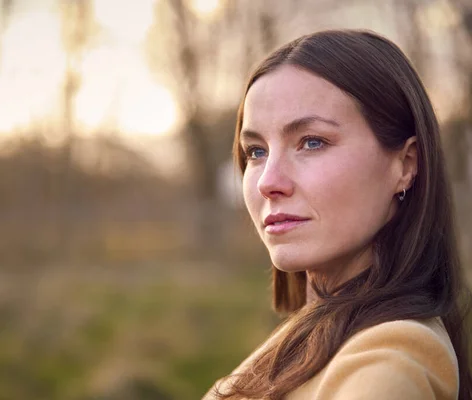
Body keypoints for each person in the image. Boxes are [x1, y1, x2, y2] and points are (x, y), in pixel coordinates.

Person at [202, 29, 472, 400]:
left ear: (406, 164)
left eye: (312, 142)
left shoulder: (389, 363)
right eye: (255, 151)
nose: (268, 182)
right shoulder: (314, 330)